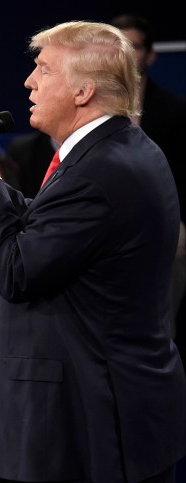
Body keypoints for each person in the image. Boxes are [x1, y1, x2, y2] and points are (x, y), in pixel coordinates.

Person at [0, 21, 186, 481]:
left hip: (89, 423)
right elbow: (50, 232)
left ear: (83, 91)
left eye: (44, 70)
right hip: (106, 409)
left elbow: (17, 271)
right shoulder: (119, 150)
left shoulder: (100, 170)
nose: (29, 81)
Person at [110, 12, 186, 354]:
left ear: (150, 56)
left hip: (160, 212)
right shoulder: (93, 103)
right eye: (117, 44)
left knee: (178, 241)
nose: (125, 51)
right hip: (102, 208)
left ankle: (161, 339)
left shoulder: (174, 110)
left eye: (134, 46)